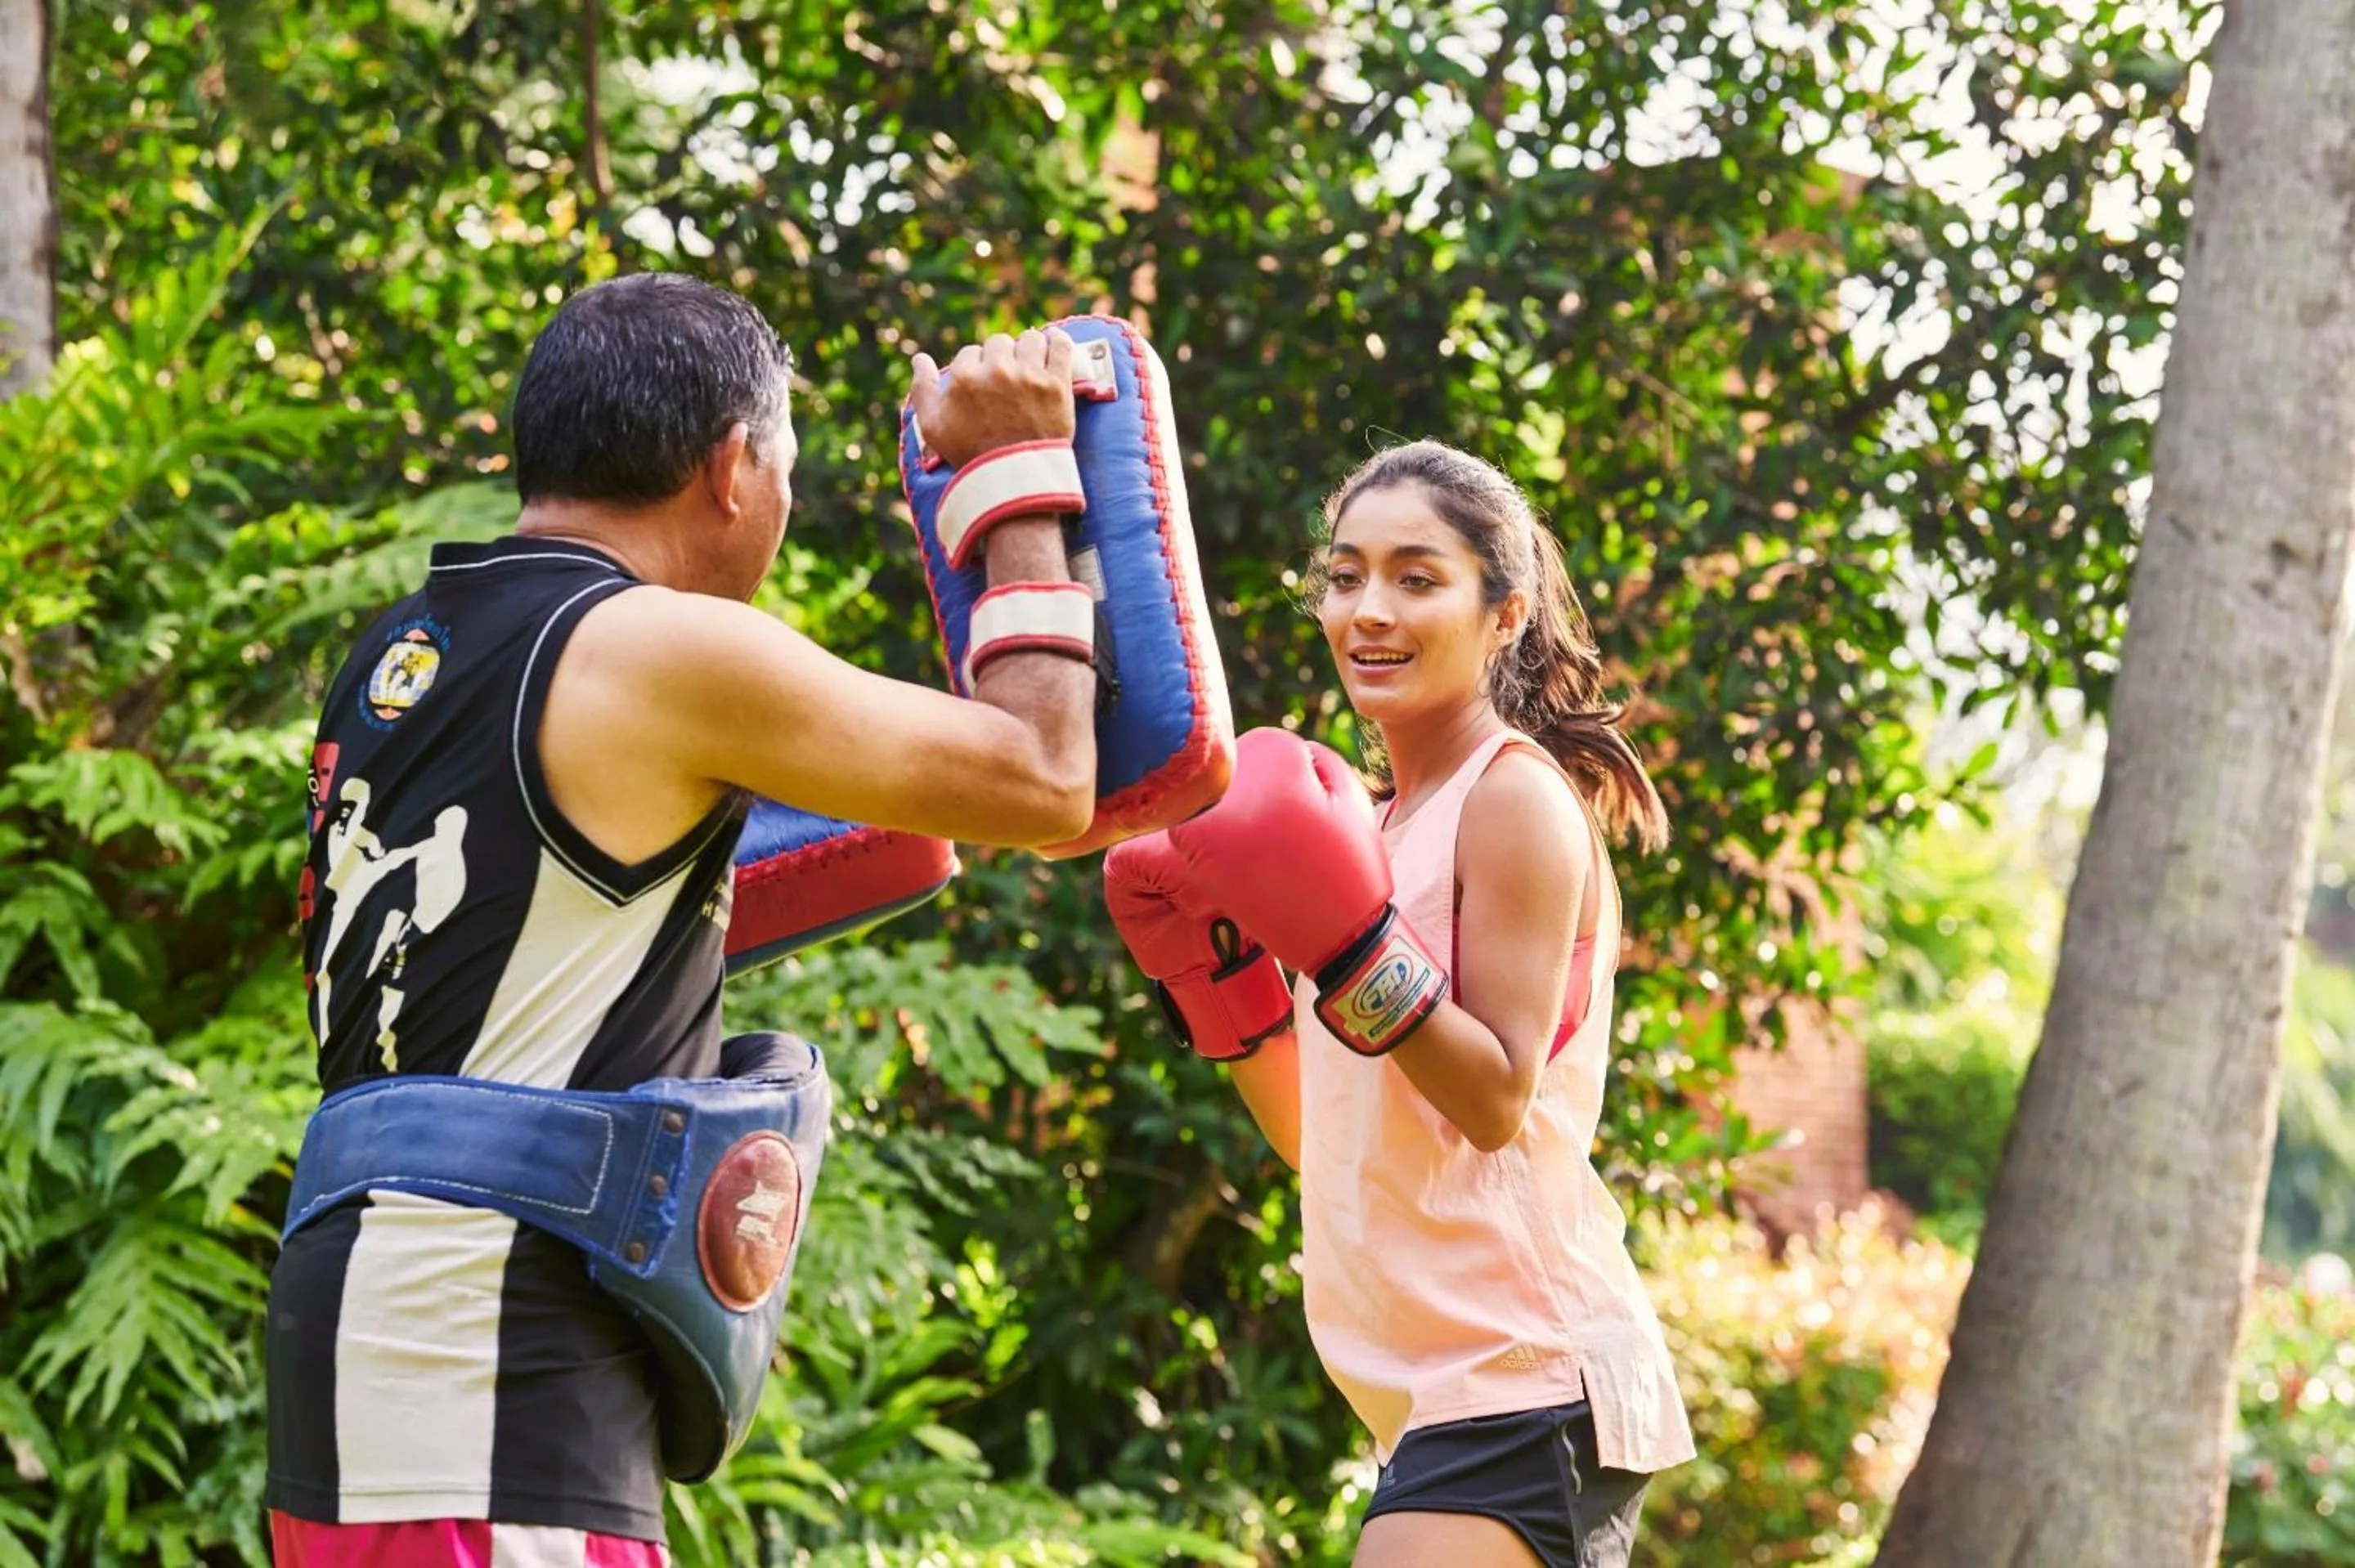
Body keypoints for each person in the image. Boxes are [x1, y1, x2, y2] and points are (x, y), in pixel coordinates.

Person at [268, 272, 1099, 1566]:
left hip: (375, 1353)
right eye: (785, 474)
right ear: (732, 468)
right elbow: (1047, 776)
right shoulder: (656, 648)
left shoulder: (395, 659)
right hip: (490, 1376)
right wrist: (1019, 467)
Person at [1106, 440, 1693, 1568]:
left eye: (1418, 577)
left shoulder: (1513, 798)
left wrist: (1350, 943)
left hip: (1528, 1370)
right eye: (1345, 575)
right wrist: (1219, 994)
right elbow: (1323, 1143)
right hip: (1431, 1390)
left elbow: (1494, 1097)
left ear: (1504, 611)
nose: (1369, 608)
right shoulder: (1365, 831)